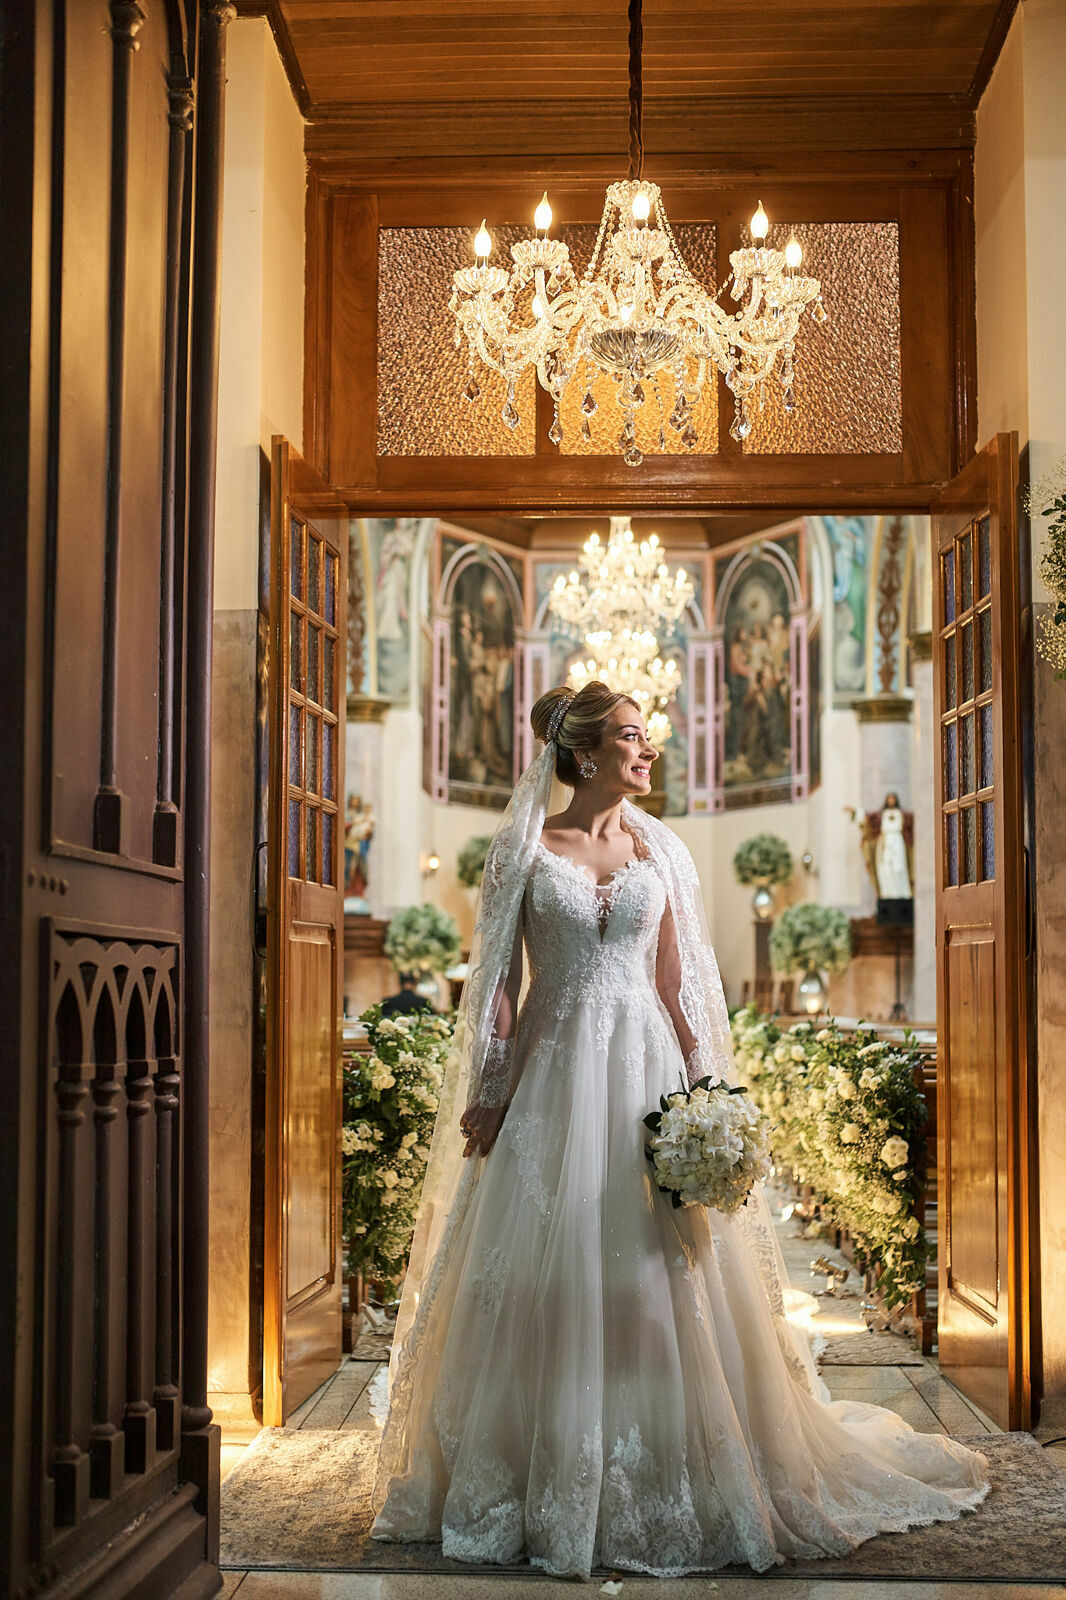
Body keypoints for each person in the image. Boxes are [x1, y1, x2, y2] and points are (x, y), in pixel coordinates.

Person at [371, 682, 988, 1578]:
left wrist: (708, 1095)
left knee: (660, 1265)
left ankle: (673, 1450)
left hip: (647, 1073)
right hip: (552, 1076)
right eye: (633, 736)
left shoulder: (662, 848)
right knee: (548, 1258)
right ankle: (540, 1462)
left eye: (646, 735)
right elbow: (499, 982)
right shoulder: (524, 848)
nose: (649, 749)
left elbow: (677, 982)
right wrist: (493, 1088)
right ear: (585, 754)